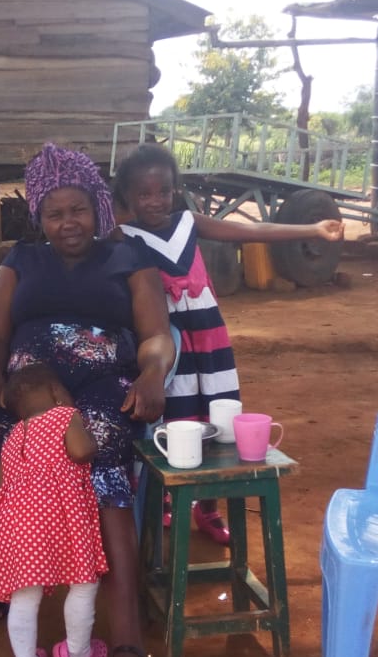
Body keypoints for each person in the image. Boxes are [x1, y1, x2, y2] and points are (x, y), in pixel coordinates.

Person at [0, 143, 175, 657]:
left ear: (98, 205)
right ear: (39, 216)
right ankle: (28, 564)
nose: (67, 222)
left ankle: (126, 647)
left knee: (99, 465)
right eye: (54, 213)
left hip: (105, 385)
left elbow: (154, 335)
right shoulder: (20, 261)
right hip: (26, 391)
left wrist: (153, 376)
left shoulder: (128, 257)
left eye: (77, 209)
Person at [112, 142, 344, 545]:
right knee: (173, 419)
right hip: (168, 344)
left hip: (211, 338)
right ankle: (167, 501)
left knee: (217, 418)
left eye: (163, 191)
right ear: (127, 197)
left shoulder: (189, 222)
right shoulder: (122, 238)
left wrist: (312, 228)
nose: (155, 201)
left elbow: (251, 230)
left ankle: (208, 508)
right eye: (144, 194)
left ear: (175, 189)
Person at [0, 363, 109, 657]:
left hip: (15, 524)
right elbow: (81, 451)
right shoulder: (64, 415)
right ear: (57, 393)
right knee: (82, 583)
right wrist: (92, 441)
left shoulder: (14, 435)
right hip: (65, 518)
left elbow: (0, 483)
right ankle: (77, 653)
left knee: (24, 595)